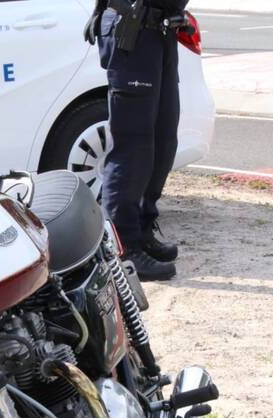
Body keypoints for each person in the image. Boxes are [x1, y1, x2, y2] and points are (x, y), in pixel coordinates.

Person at [85, 0, 190, 281]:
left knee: (164, 141)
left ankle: (142, 230)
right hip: (133, 30)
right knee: (133, 148)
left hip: (159, 31)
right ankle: (123, 248)